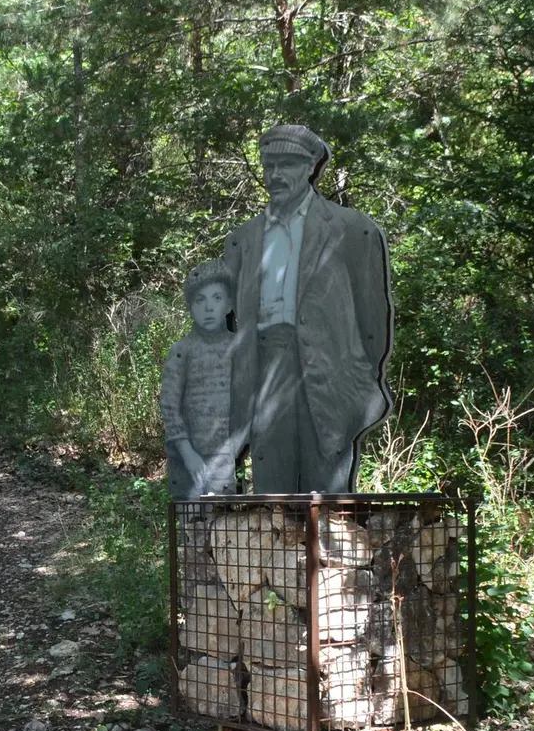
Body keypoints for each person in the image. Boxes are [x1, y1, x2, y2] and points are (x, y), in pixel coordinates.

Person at [210, 124, 394, 493]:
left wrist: (358, 372)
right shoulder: (242, 240)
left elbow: (373, 316)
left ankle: (329, 551)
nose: (276, 175)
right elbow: (228, 324)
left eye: (288, 164)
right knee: (273, 488)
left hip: (330, 369)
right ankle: (275, 549)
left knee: (326, 488)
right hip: (263, 370)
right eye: (268, 166)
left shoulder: (351, 230)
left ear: (311, 166)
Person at [159, 268, 246, 500]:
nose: (208, 308)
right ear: (191, 308)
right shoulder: (182, 351)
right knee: (193, 525)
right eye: (200, 300)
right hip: (189, 459)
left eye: (217, 298)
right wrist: (187, 453)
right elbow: (169, 405)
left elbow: (251, 400)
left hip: (226, 457)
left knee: (227, 528)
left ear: (228, 305)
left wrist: (236, 449)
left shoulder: (240, 349)